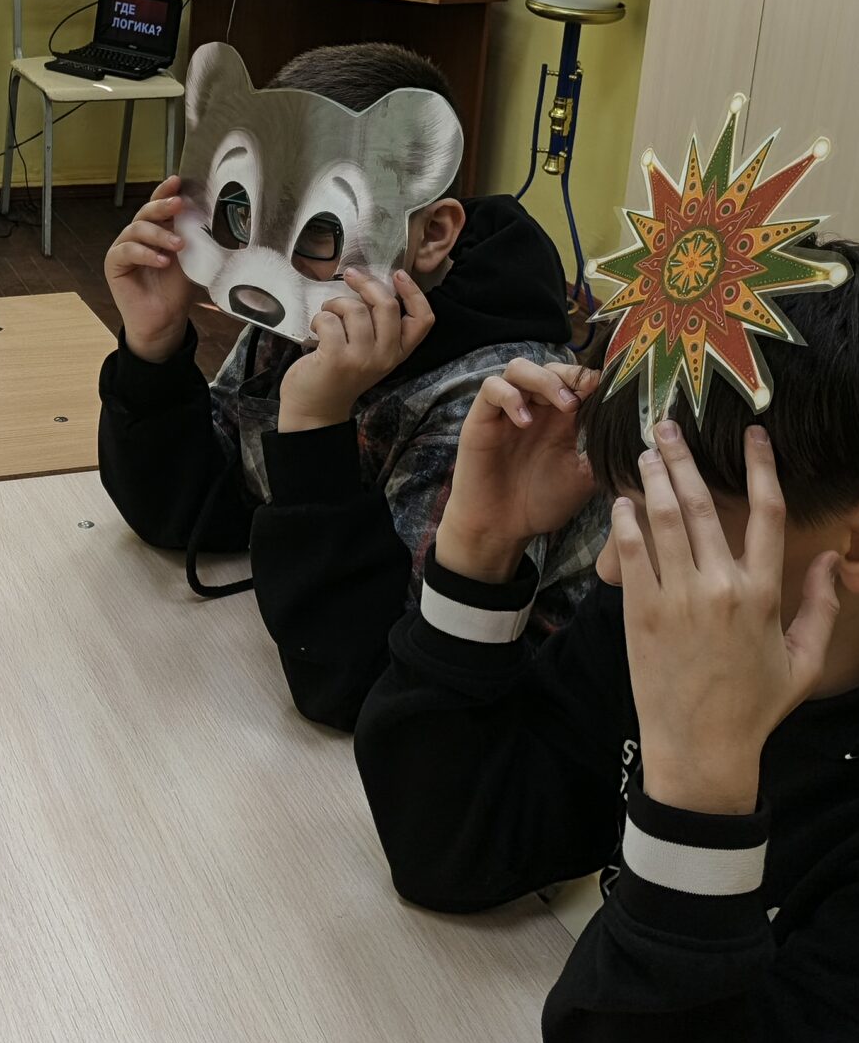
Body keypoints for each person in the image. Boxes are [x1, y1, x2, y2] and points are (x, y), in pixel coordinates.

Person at [352, 241, 859, 1043]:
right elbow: (451, 846)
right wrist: (480, 548)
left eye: (676, 518)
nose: (614, 567)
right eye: (626, 508)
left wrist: (701, 787)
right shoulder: (688, 591)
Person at [96, 42, 603, 730]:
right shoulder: (303, 297)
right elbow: (198, 511)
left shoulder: (496, 401)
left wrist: (314, 423)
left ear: (433, 235)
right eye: (244, 217)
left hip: (489, 736)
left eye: (318, 232)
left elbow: (372, 683)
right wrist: (152, 349)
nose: (265, 265)